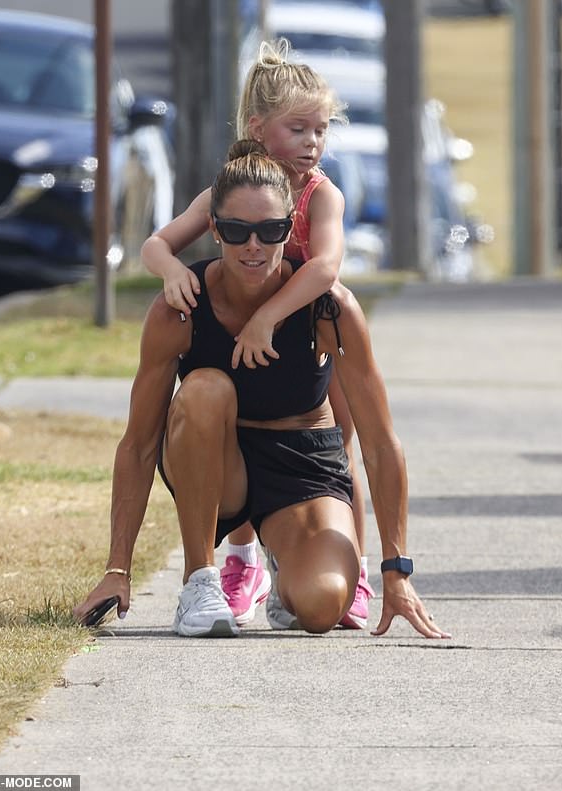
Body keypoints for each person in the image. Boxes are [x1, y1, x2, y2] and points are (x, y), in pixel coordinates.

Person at [74, 142, 450, 642]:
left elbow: (381, 445)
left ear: (291, 227)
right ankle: (200, 581)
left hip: (302, 463)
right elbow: (139, 444)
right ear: (214, 230)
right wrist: (117, 567)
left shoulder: (329, 310)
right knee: (206, 389)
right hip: (217, 462)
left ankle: (284, 568)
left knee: (322, 607)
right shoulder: (180, 309)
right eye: (236, 231)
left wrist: (396, 572)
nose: (254, 246)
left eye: (271, 231)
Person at [141, 39, 373, 631]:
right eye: (298, 129)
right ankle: (244, 554)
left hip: (307, 332)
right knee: (236, 426)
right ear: (258, 129)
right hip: (242, 338)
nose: (312, 143)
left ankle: (357, 564)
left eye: (321, 130)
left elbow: (325, 267)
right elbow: (157, 244)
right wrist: (171, 273)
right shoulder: (232, 190)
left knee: (338, 438)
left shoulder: (322, 194)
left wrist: (270, 317)